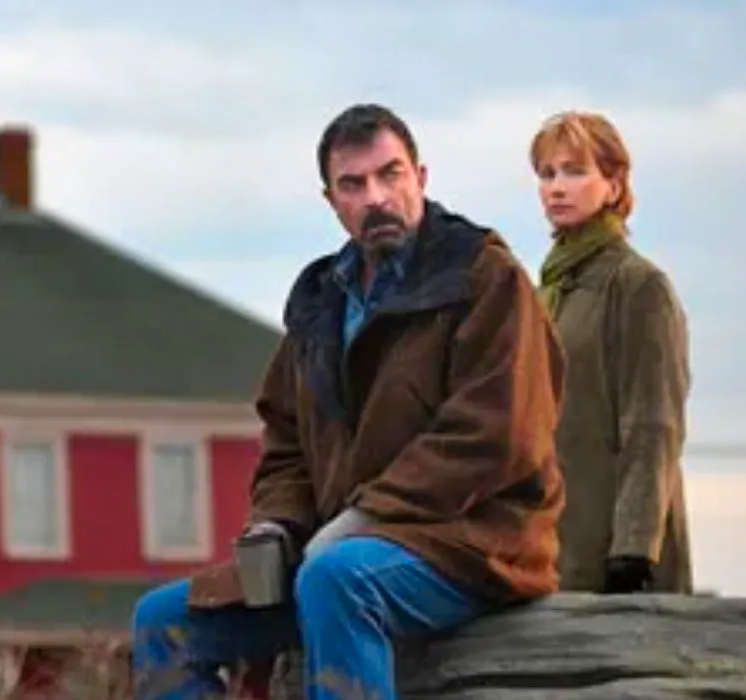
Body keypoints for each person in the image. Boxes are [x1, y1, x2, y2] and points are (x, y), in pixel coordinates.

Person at [129, 103, 568, 700]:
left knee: (337, 579)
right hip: (333, 554)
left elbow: (497, 436)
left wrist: (365, 518)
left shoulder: (484, 278)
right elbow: (285, 442)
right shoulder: (320, 299)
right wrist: (277, 529)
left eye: (391, 175)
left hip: (474, 547)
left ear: (421, 176)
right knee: (162, 621)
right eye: (353, 184)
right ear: (331, 201)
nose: (377, 197)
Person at [529, 110, 693, 595]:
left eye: (575, 171)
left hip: (616, 552)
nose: (557, 187)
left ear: (614, 184)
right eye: (547, 174)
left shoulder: (640, 286)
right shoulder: (548, 291)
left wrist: (634, 550)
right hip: (550, 540)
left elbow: (654, 424)